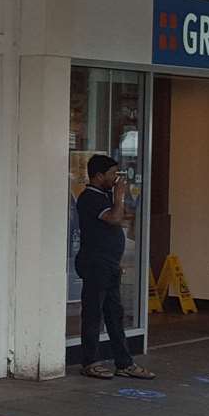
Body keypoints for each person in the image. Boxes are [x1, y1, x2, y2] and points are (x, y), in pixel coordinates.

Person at [75, 154, 155, 379]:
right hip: (95, 263)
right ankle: (90, 361)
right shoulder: (90, 198)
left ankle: (124, 362)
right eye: (112, 174)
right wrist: (119, 197)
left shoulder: (105, 195)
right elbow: (114, 218)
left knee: (114, 313)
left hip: (110, 264)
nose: (116, 179)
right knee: (93, 313)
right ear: (99, 175)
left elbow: (123, 218)